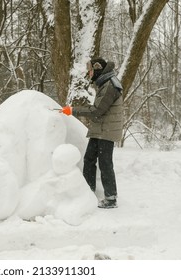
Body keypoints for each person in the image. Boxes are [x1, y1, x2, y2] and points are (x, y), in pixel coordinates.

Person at [61, 57, 123, 209]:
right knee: (89, 159)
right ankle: (88, 191)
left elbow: (97, 111)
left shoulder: (110, 85)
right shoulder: (104, 83)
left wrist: (72, 110)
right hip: (99, 129)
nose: (89, 74)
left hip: (106, 131)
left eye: (90, 71)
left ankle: (111, 197)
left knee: (105, 163)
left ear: (97, 70)